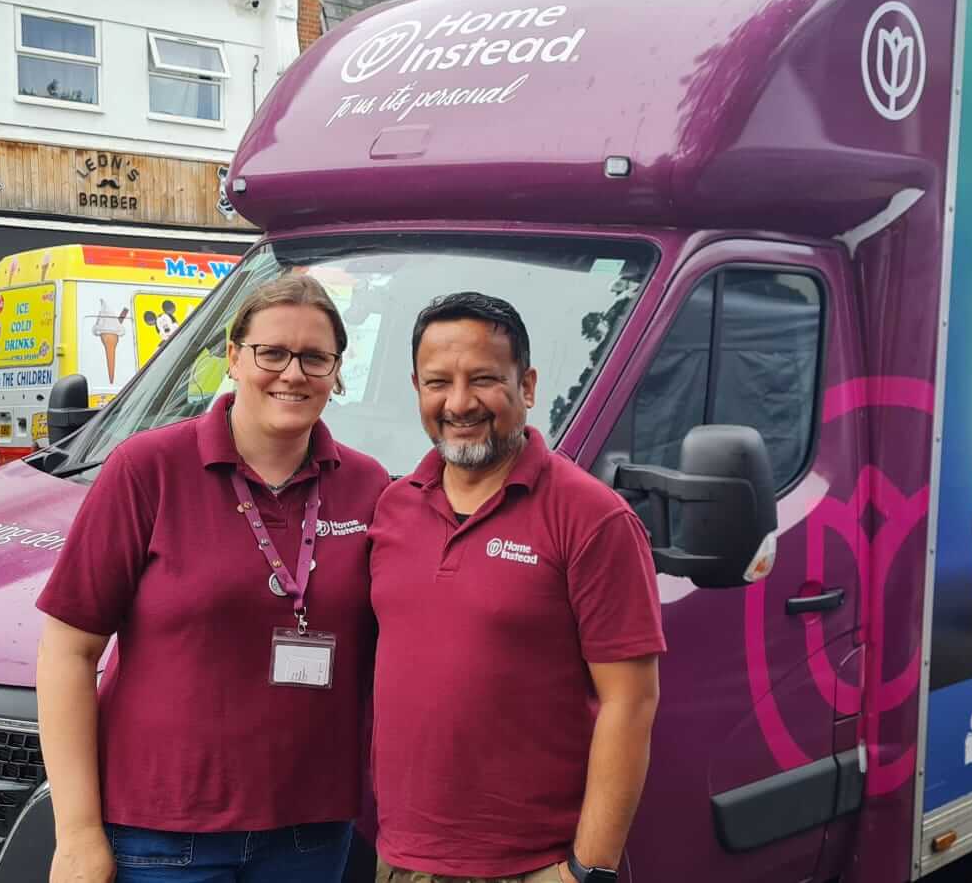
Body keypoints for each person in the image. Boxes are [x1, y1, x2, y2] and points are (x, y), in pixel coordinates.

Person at [35, 275, 389, 883]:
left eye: (315, 357)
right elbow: (69, 650)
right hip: (163, 832)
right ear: (233, 357)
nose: (292, 373)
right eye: (271, 352)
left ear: (336, 371)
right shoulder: (148, 470)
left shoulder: (369, 487)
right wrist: (77, 834)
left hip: (310, 829)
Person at [368, 292, 664, 883]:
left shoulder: (592, 517)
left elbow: (631, 702)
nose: (458, 403)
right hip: (401, 861)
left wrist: (587, 871)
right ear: (416, 388)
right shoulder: (392, 509)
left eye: (483, 379)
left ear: (526, 386)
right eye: (437, 382)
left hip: (534, 866)